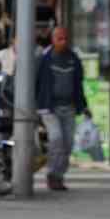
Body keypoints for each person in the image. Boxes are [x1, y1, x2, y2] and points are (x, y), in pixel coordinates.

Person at [35, 25, 90, 191]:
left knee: (68, 143)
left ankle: (59, 175)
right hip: (50, 108)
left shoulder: (73, 59)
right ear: (53, 39)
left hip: (69, 107)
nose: (63, 42)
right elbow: (35, 82)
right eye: (59, 39)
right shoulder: (44, 58)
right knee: (57, 139)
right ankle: (52, 173)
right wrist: (35, 105)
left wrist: (84, 106)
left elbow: (78, 84)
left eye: (65, 39)